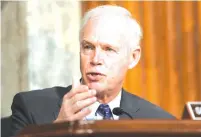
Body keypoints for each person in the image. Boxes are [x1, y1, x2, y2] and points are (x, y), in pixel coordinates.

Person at [10, 5, 175, 136]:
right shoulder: (30, 107)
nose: (95, 60)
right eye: (88, 47)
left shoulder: (159, 122)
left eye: (108, 49)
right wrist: (57, 131)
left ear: (133, 57)